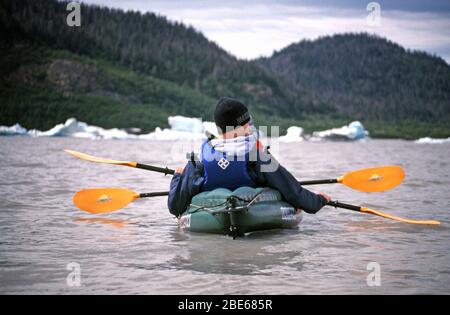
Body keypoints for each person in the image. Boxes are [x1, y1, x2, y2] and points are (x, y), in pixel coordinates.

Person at [168, 97, 331, 217]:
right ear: (243, 125)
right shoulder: (256, 154)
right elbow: (293, 192)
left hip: (212, 213)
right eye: (248, 123)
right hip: (252, 214)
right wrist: (319, 200)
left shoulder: (199, 160)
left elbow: (175, 206)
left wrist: (177, 177)